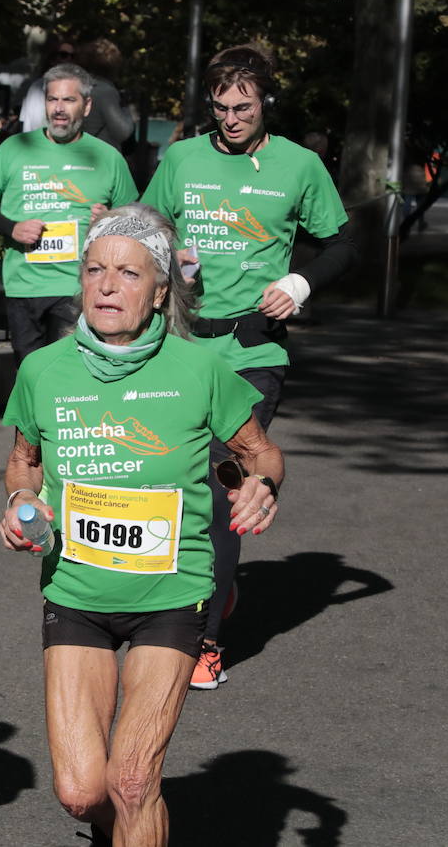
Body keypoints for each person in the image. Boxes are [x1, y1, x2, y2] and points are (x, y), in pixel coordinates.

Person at [0, 204, 283, 847]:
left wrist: (261, 487)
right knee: (81, 793)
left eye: (127, 273)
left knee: (131, 780)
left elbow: (259, 454)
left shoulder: (200, 368)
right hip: (75, 592)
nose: (105, 285)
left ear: (160, 291)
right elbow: (23, 462)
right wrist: (21, 504)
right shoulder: (43, 370)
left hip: (171, 593)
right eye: (94, 269)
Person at [140, 44, 355, 689]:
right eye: (222, 108)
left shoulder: (299, 165)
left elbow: (344, 243)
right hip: (181, 345)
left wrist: (301, 284)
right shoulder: (182, 158)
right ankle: (182, 599)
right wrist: (161, 258)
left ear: (266, 104)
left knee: (223, 483)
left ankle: (205, 638)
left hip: (253, 350)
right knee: (173, 481)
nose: (231, 119)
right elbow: (151, 225)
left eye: (244, 107)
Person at [0, 63, 139, 362]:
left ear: (86, 106)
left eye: (69, 100)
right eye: (52, 100)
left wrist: (110, 221)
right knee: (30, 369)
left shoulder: (108, 158)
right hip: (25, 282)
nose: (59, 109)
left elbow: (137, 220)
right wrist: (12, 228)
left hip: (78, 285)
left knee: (66, 370)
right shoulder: (15, 148)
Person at [74, 38, 135, 151]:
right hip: (100, 157)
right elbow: (123, 132)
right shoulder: (106, 92)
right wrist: (127, 109)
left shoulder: (74, 86)